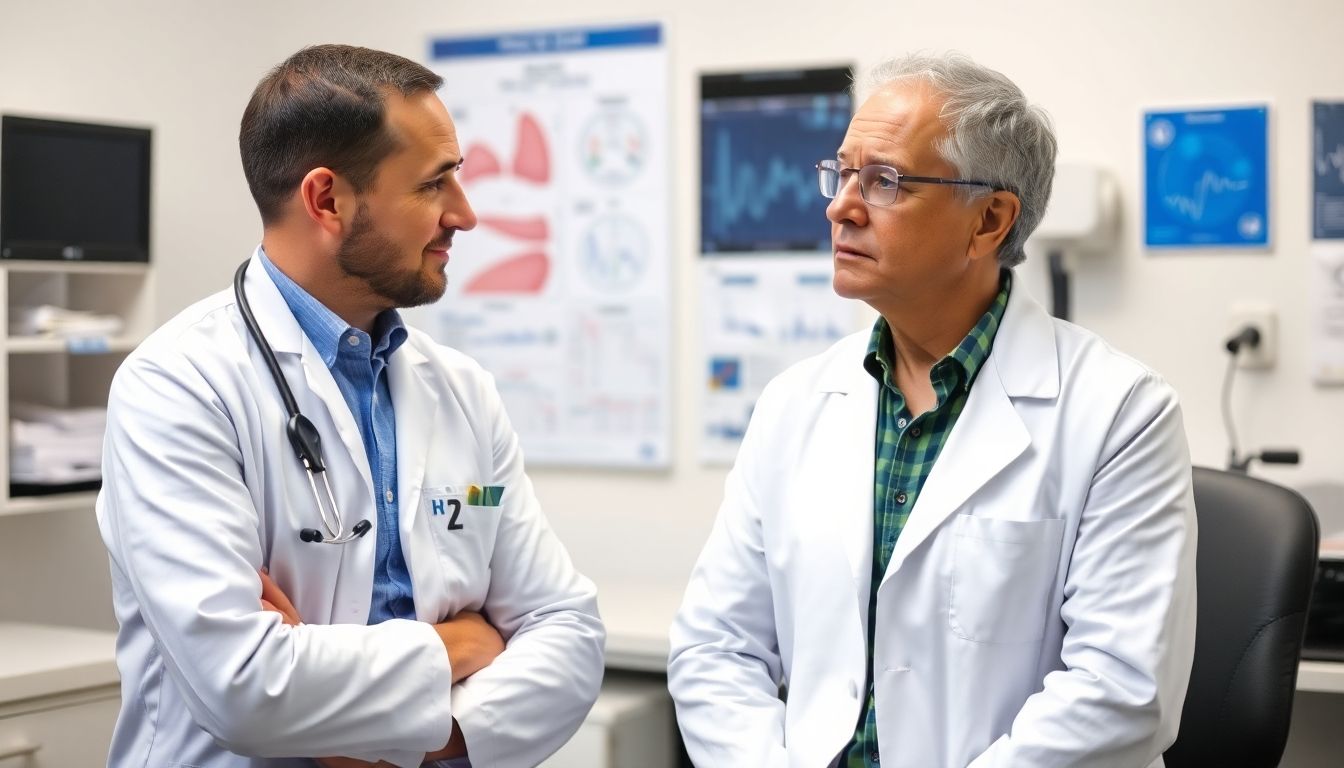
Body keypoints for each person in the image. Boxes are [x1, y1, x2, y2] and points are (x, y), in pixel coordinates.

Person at [668, 52, 1197, 768]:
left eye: (883, 181)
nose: (840, 206)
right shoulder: (794, 405)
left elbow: (1119, 690)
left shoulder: (1121, 414)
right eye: (842, 173)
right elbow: (715, 647)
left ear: (988, 221)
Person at [97, 44, 604, 768]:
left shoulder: (461, 389)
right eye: (434, 186)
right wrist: (455, 645)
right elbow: (244, 686)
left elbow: (569, 634)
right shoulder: (178, 386)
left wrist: (417, 742)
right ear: (327, 200)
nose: (464, 214)